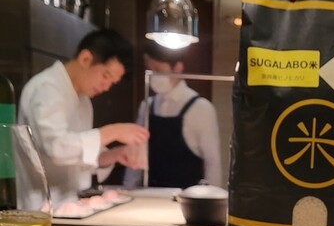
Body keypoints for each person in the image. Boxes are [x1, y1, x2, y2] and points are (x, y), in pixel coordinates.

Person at [18, 28, 149, 207]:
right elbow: (56, 147)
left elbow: (79, 155)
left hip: (69, 203)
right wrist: (112, 132)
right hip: (39, 206)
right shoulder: (47, 88)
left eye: (112, 83)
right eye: (106, 76)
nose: (106, 86)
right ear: (85, 59)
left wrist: (114, 155)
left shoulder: (84, 100)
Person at [123, 40, 223, 190]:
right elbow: (136, 155)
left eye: (158, 70)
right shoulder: (146, 106)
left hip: (187, 197)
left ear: (178, 67)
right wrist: (128, 190)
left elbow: (212, 162)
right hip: (150, 195)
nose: (153, 75)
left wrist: (212, 199)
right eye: (149, 69)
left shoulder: (201, 108)